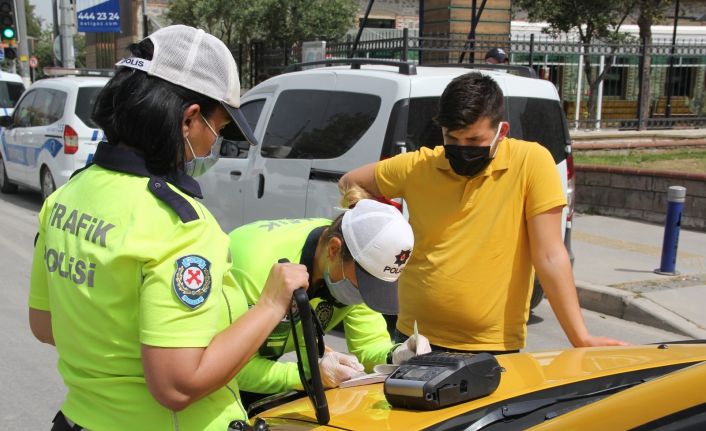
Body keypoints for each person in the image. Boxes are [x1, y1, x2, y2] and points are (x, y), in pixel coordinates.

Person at [28, 25, 308, 431]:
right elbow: (177, 386)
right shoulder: (179, 225)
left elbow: (45, 324)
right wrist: (270, 304)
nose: (214, 144)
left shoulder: (65, 197)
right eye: (219, 128)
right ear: (190, 119)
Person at [340, 72, 626, 354]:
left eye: (474, 141)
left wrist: (581, 337)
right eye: (452, 139)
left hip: (492, 345)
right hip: (416, 339)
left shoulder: (531, 163)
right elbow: (351, 182)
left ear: (501, 131)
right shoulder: (419, 166)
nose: (462, 149)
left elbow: (550, 254)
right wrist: (382, 226)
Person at [229, 188, 430, 408]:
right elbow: (223, 366)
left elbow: (367, 345)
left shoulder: (355, 260)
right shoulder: (256, 266)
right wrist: (309, 375)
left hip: (263, 369)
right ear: (334, 249)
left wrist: (396, 355)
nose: (364, 295)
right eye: (363, 284)